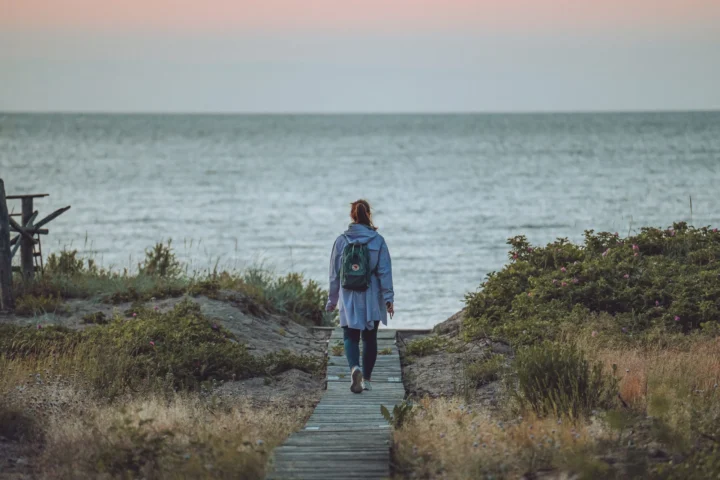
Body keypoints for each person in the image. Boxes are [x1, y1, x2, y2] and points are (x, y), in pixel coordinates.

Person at [326, 199, 394, 394]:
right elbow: (384, 272)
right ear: (368, 215)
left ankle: (354, 368)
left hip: (349, 294)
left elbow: (334, 274)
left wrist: (332, 300)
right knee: (370, 337)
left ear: (352, 216)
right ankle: (368, 379)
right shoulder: (378, 240)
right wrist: (388, 299)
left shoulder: (341, 240)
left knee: (350, 334)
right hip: (371, 293)